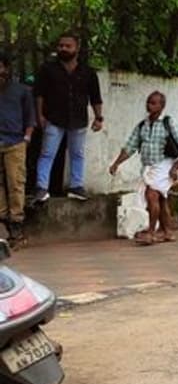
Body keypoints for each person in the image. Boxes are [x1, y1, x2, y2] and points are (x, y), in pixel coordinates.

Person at [108, 91, 178, 245]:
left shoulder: (169, 123)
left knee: (151, 195)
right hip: (149, 167)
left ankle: (151, 232)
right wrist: (116, 163)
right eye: (148, 102)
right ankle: (167, 232)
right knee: (161, 200)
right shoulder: (142, 126)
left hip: (165, 165)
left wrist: (175, 168)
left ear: (161, 105)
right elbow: (130, 147)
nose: (149, 106)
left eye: (153, 103)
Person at [34, 32, 103, 202]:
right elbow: (39, 94)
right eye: (61, 45)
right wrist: (40, 115)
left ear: (77, 48)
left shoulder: (88, 72)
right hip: (53, 118)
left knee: (77, 154)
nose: (63, 48)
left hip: (78, 120)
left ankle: (76, 187)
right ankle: (41, 188)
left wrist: (99, 117)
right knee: (47, 154)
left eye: (67, 46)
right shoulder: (48, 69)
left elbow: (95, 97)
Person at [0, 54, 35, 244]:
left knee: (15, 183)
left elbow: (30, 117)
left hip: (15, 142)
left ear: (6, 69)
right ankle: (4, 221)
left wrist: (27, 137)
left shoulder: (21, 91)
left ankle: (16, 224)